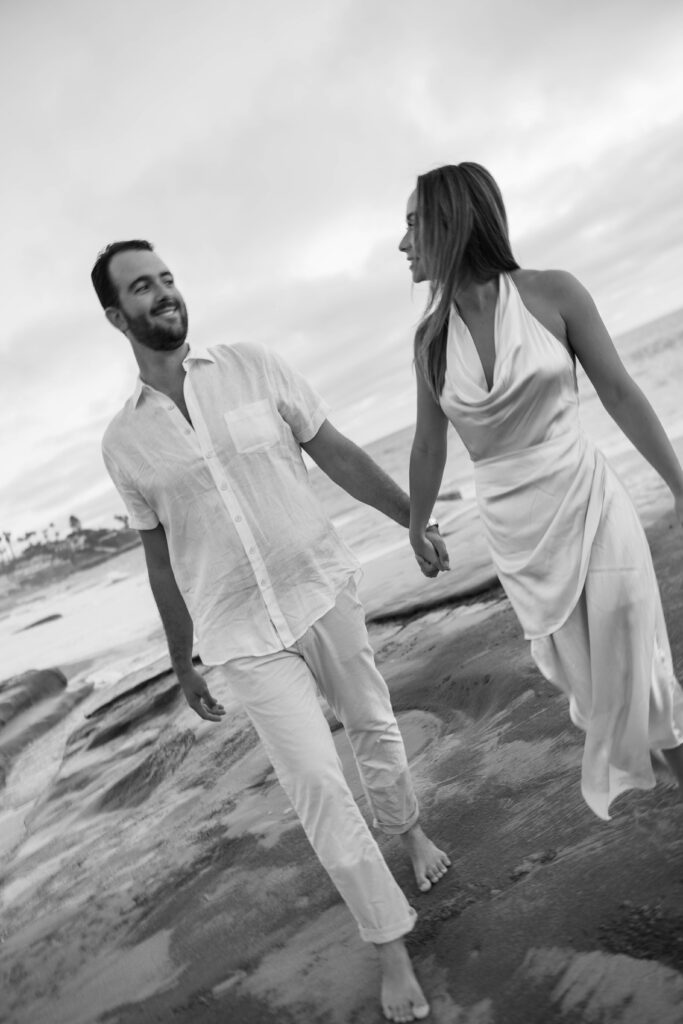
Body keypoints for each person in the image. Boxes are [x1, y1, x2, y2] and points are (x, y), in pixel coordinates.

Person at [94, 239, 450, 1023]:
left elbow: (334, 453)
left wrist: (413, 519)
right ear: (116, 316)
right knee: (317, 786)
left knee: (373, 726)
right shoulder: (124, 443)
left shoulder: (254, 365)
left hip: (320, 588)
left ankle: (411, 831)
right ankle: (389, 945)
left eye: (167, 279)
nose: (164, 294)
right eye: (143, 289)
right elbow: (160, 558)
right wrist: (180, 658)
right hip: (238, 632)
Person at [399, 162, 683, 821]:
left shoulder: (553, 294)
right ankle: (669, 768)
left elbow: (617, 391)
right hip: (520, 536)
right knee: (599, 690)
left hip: (589, 505)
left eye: (412, 224)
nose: (403, 242)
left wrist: (677, 482)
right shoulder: (429, 340)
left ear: (450, 223)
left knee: (636, 663)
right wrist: (416, 524)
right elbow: (427, 445)